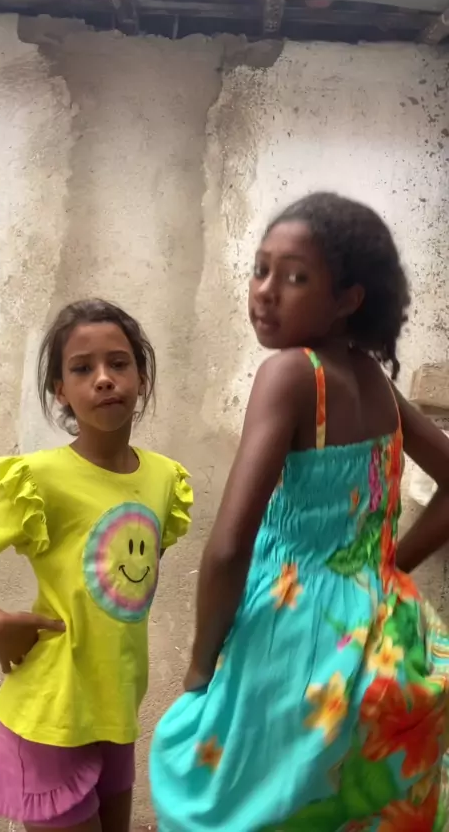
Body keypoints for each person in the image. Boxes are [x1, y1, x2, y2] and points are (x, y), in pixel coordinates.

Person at [150, 193, 449, 831]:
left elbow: (229, 547)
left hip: (296, 640)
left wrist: (200, 665)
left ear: (348, 299)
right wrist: (387, 568)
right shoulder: (376, 382)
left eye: (294, 277)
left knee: (234, 800)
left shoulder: (290, 375)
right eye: (260, 270)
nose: (265, 291)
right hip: (387, 638)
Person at [0, 299, 192, 832]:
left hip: (115, 712)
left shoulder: (165, 480)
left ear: (141, 378)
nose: (103, 378)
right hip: (50, 714)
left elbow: (126, 583)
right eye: (82, 368)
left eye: (118, 363)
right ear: (60, 391)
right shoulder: (40, 479)